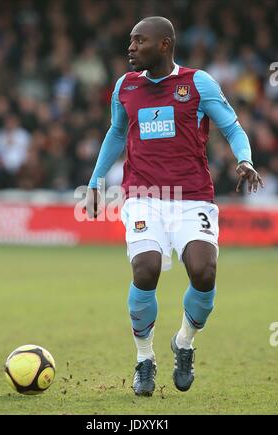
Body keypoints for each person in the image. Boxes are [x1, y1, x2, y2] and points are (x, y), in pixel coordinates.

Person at [86, 16, 264, 396]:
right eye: (130, 41)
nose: (130, 48)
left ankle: (184, 343)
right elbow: (117, 132)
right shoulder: (125, 86)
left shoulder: (198, 83)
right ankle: (144, 359)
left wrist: (244, 159)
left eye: (139, 41)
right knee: (146, 269)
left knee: (204, 272)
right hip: (143, 196)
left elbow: (232, 127)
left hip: (192, 196)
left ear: (164, 44)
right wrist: (96, 181)